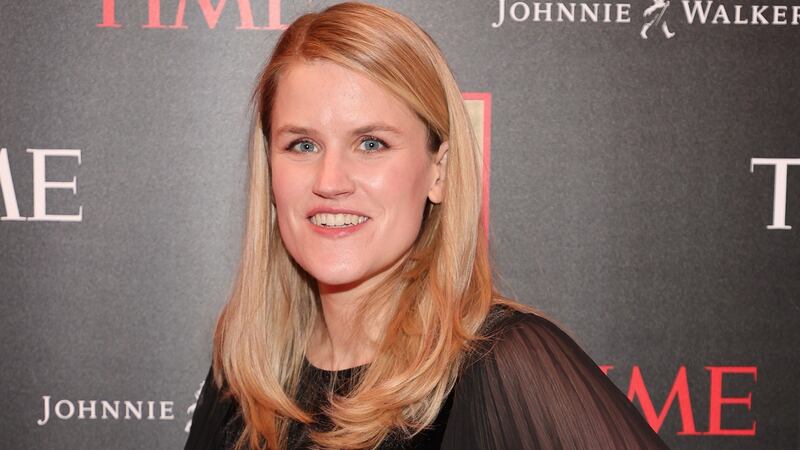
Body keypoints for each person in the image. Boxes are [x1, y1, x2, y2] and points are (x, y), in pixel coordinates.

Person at [185, 2, 670, 449]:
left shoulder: (499, 362)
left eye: (371, 143)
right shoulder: (244, 370)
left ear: (437, 170)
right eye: (303, 145)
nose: (330, 181)